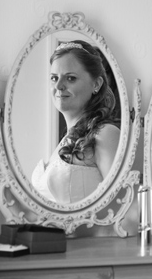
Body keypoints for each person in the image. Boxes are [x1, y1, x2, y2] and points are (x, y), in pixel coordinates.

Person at [31, 40, 121, 204]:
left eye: (70, 78)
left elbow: (120, 205)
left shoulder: (105, 134)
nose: (58, 86)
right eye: (54, 78)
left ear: (96, 84)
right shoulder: (64, 141)